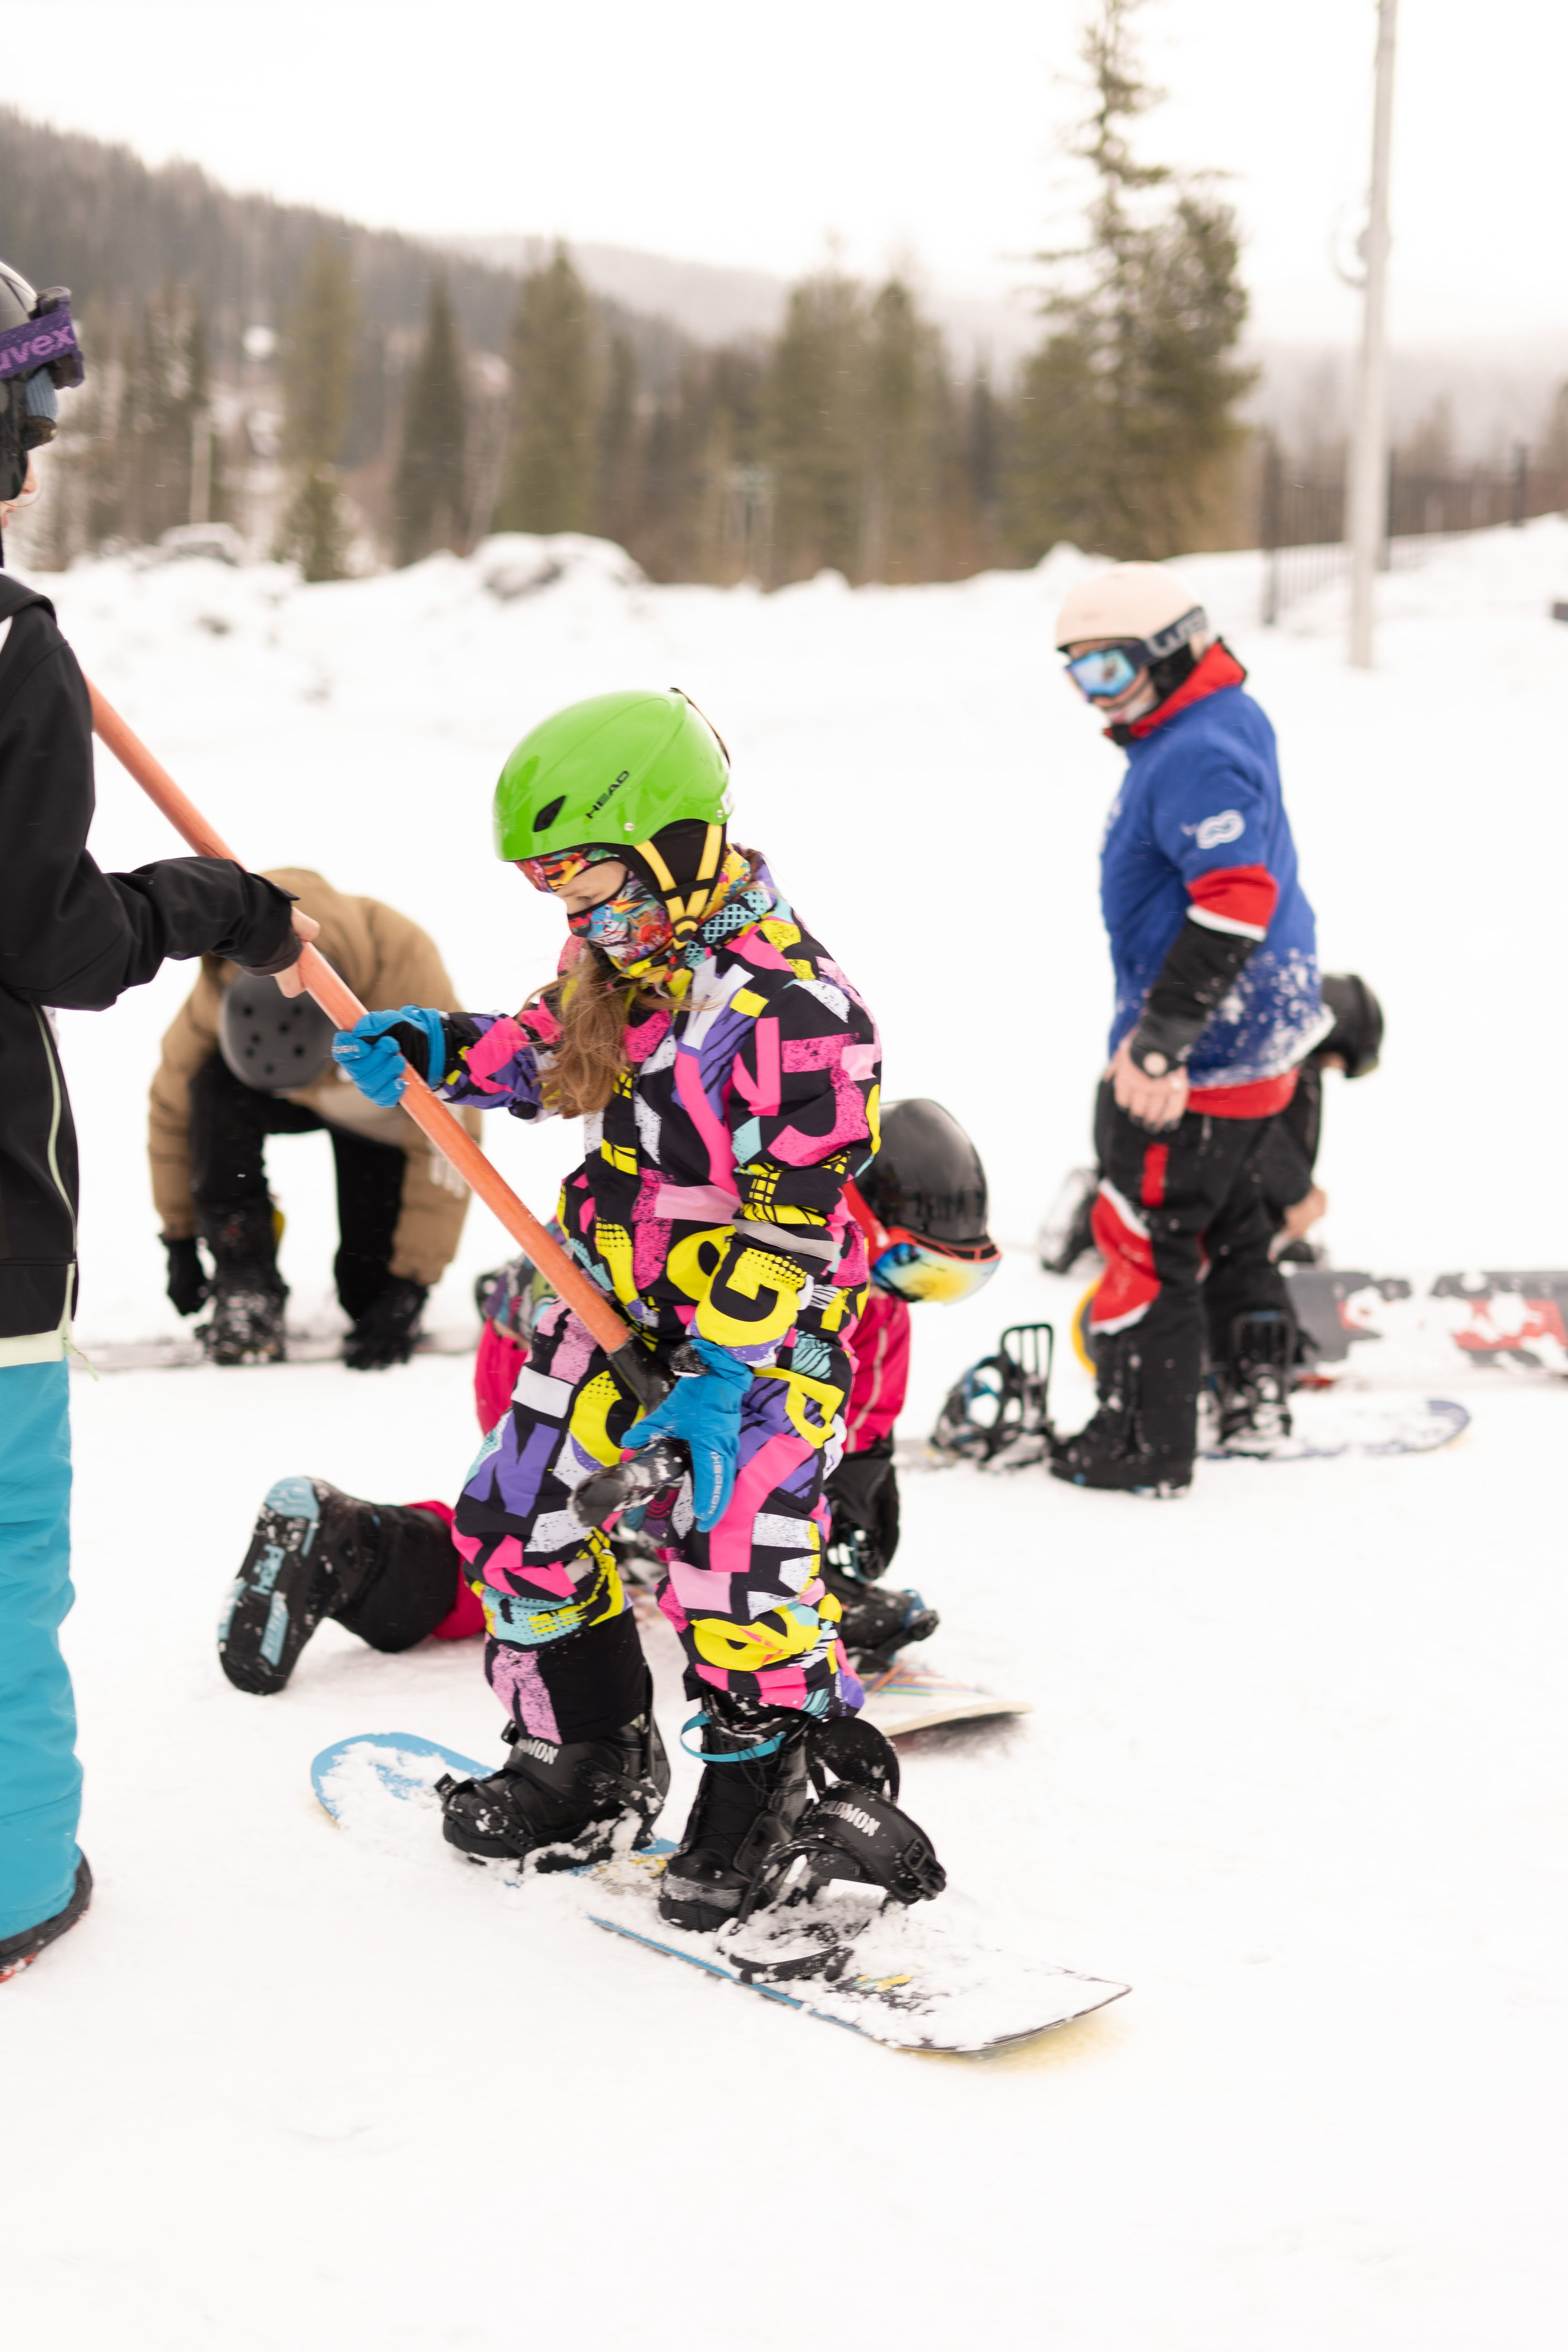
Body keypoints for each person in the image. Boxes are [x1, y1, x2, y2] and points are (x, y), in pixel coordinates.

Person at [322, 688, 942, 1936]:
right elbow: (544, 1057)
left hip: (753, 1341)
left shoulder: (800, 1014)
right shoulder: (624, 966)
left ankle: (768, 1788)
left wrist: (719, 1374)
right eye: (551, 884)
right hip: (603, 1293)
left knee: (732, 1570)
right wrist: (438, 1047)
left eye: (590, 875)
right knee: (516, 1518)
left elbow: (787, 1223)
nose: (574, 908)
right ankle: (583, 1764)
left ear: (676, 842)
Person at [0, 254, 314, 1981]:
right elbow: (47, 935)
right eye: (31, 407)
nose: (40, 450)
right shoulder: (13, 649)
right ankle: (7, 1880)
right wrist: (214, 903)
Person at [213, 1096, 1001, 1699]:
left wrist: (846, 1541)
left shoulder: (876, 1306)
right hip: (572, 1355)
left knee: (572, 1534)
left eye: (945, 1281)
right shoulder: (771, 1236)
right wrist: (799, 1580)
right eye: (909, 1271)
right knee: (570, 1548)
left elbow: (859, 1435)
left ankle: (351, 1545)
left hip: (582, 1348)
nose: (911, 1297)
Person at [1049, 563, 1327, 1492]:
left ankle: (1140, 1445)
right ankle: (1254, 1385)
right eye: (1079, 674)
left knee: (1144, 1231)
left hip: (1204, 1044)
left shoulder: (1195, 750)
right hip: (1254, 1029)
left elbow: (1234, 900)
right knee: (1236, 1220)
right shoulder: (1215, 722)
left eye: (1111, 670)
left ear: (1172, 653)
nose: (1098, 697)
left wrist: (1164, 1039)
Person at [148, 869, 478, 1367]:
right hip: (248, 1094)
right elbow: (172, 1110)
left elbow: (449, 1132)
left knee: (367, 1293)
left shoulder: (402, 967)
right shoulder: (221, 984)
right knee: (209, 1089)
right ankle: (247, 1280)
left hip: (369, 1101)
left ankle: (375, 1288)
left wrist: (411, 1280)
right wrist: (179, 1235)